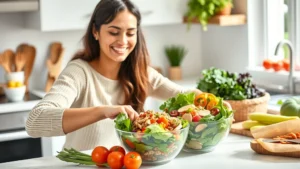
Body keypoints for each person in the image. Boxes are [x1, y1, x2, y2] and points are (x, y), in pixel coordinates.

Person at [26, 0, 201, 151]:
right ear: (96, 31)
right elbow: (35, 122)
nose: (123, 41)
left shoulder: (141, 72)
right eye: (114, 32)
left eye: (130, 33)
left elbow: (184, 97)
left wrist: (215, 102)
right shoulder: (79, 72)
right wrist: (103, 111)